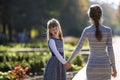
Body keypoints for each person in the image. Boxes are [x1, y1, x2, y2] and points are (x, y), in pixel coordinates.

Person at [66, 4, 117, 80]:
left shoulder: (87, 30)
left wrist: (69, 61)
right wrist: (114, 68)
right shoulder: (108, 31)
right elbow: (110, 51)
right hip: (105, 67)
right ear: (101, 15)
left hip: (92, 67)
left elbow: (79, 47)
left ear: (90, 16)